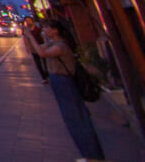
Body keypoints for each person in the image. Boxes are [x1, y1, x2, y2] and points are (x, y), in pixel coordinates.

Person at [24, 19, 104, 160]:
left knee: (76, 119)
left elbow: (42, 54)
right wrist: (28, 37)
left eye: (48, 28)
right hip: (58, 81)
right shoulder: (52, 44)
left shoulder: (61, 46)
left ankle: (92, 155)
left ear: (56, 30)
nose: (45, 30)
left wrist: (31, 37)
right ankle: (88, 153)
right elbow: (35, 50)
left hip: (64, 81)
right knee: (72, 119)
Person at [23, 18, 49, 83]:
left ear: (32, 21)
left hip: (41, 46)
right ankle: (44, 77)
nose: (28, 22)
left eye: (29, 20)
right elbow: (25, 38)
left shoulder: (38, 28)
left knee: (45, 62)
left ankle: (47, 75)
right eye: (26, 21)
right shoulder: (26, 30)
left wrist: (46, 45)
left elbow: (44, 37)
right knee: (38, 64)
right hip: (33, 48)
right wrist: (27, 47)